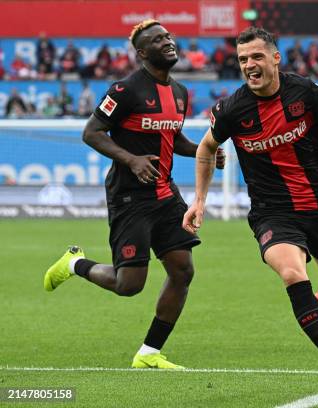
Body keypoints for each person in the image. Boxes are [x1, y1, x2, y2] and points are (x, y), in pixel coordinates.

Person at [182, 27, 318, 398]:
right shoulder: (231, 109)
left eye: (256, 56)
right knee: (291, 272)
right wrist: (200, 200)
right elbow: (207, 148)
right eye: (242, 60)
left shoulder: (305, 91)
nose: (249, 65)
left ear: (274, 57)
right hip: (273, 213)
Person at [43, 20, 224, 369]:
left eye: (169, 37)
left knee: (183, 270)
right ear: (142, 53)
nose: (168, 42)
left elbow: (175, 139)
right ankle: (74, 263)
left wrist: (205, 150)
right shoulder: (124, 91)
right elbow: (91, 132)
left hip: (166, 194)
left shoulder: (182, 93)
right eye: (158, 40)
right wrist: (131, 159)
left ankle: (149, 353)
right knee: (129, 285)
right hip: (130, 197)